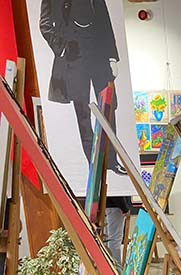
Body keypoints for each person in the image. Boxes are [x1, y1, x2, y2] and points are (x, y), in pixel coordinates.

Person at [39, 0, 125, 175]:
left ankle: (111, 161)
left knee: (108, 108)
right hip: (73, 57)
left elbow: (104, 20)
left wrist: (112, 56)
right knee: (83, 113)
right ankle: (94, 163)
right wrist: (61, 47)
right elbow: (45, 24)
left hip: (98, 54)